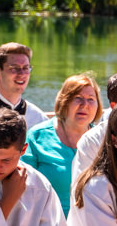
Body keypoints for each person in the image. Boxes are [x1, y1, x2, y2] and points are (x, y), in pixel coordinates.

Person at [24, 74, 100, 215]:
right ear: (64, 101)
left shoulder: (103, 139)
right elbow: (22, 186)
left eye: (91, 99)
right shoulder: (37, 136)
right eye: (78, 98)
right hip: (47, 223)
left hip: (93, 223)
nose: (85, 105)